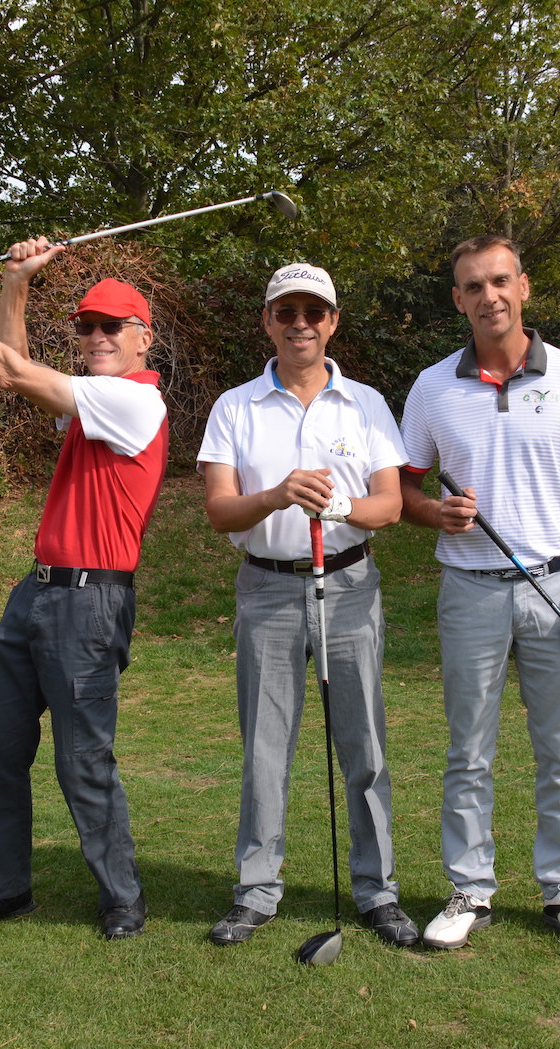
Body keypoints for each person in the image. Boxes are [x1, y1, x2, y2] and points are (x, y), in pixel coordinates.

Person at [0, 242, 168, 941]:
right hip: (38, 592)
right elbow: (12, 373)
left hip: (90, 604)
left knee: (83, 761)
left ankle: (121, 898)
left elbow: (8, 367)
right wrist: (16, 284)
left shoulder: (133, 403)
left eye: (113, 326)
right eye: (86, 326)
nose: (97, 337)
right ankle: (7, 889)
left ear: (145, 338)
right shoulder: (91, 405)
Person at [398, 235, 560, 952]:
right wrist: (437, 511)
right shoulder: (433, 387)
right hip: (469, 590)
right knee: (469, 749)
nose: (488, 296)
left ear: (523, 287)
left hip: (554, 587)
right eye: (472, 286)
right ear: (457, 300)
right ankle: (471, 888)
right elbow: (401, 488)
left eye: (499, 281)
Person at [196, 262, 419, 948]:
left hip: (350, 586)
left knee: (365, 744)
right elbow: (219, 510)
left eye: (313, 313)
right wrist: (275, 495)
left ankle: (376, 890)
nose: (300, 325)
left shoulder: (367, 402)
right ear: (267, 321)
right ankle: (257, 890)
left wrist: (340, 503)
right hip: (267, 588)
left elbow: (393, 504)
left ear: (333, 322)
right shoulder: (234, 406)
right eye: (286, 312)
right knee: (266, 748)